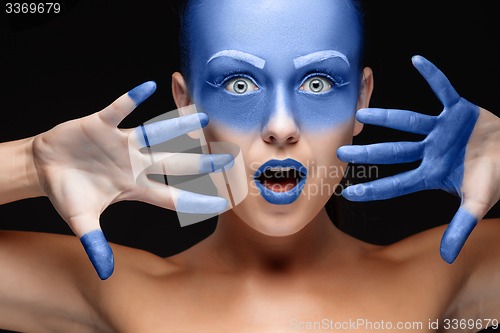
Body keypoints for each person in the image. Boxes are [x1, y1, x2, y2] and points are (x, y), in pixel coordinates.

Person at [1, 0, 499, 332]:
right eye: (239, 85)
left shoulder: (447, 272)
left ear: (361, 101)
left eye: (318, 83)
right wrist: (31, 163)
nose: (281, 126)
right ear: (186, 105)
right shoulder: (115, 287)